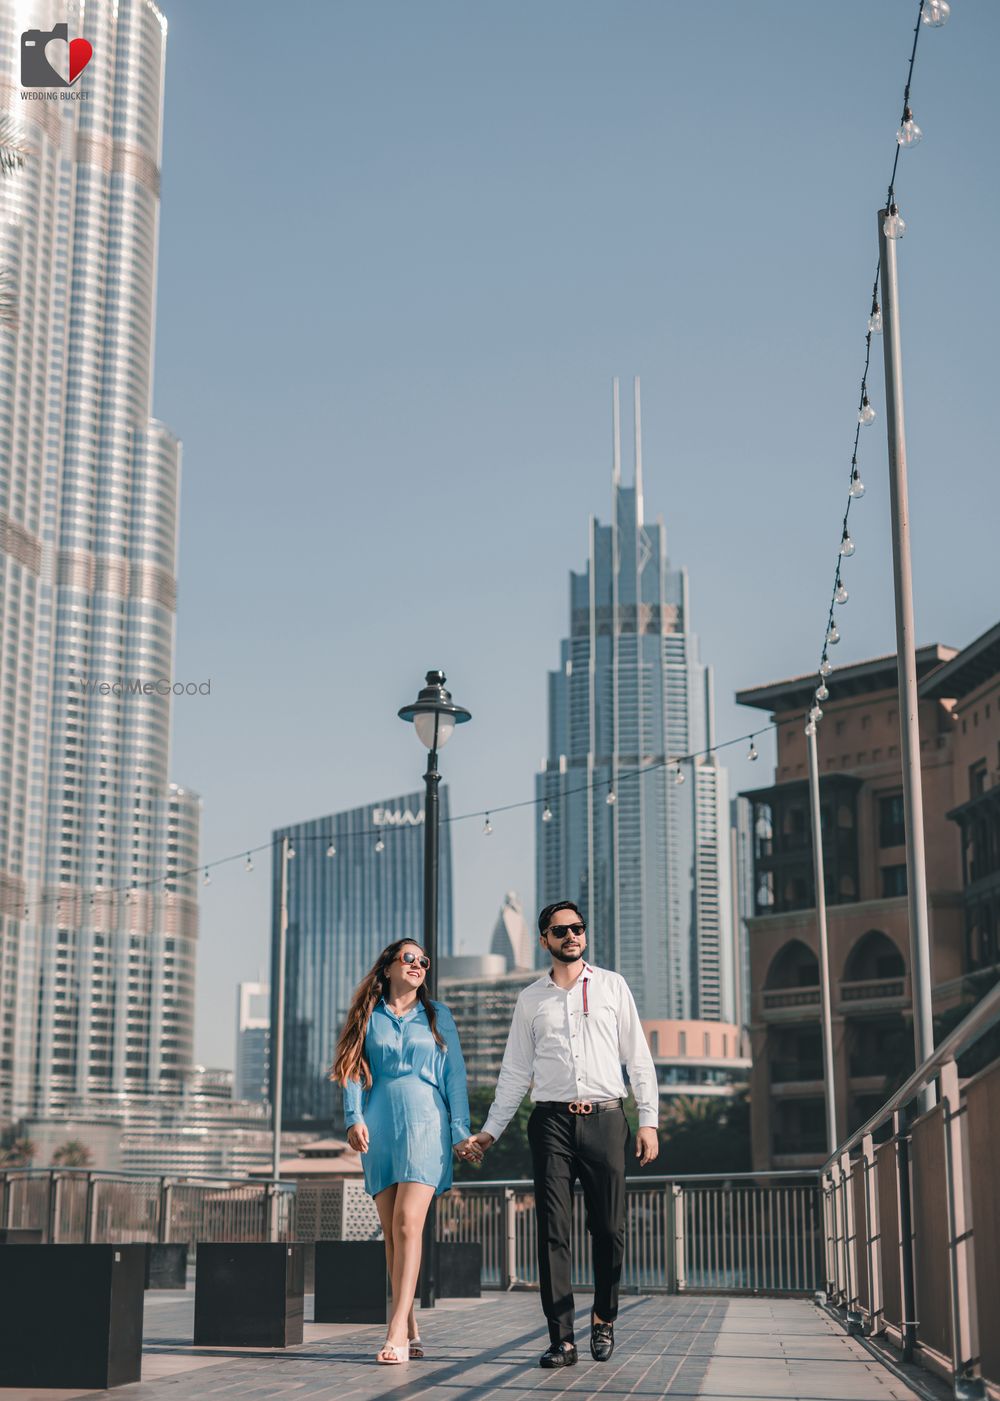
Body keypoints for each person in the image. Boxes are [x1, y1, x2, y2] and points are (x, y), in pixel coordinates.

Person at [461, 901, 658, 1368]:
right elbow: (514, 1072)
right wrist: (490, 1132)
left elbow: (638, 1059)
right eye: (561, 930)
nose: (572, 935)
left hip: (607, 1119)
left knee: (609, 1228)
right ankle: (562, 1339)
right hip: (550, 1123)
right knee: (553, 1230)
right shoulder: (531, 999)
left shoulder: (612, 986)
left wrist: (648, 1120)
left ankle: (604, 1318)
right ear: (544, 940)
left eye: (578, 928)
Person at [332, 938, 474, 1365]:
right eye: (408, 958)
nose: (417, 965)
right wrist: (353, 1117)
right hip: (379, 1126)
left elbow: (455, 1076)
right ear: (389, 967)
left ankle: (394, 1332)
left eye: (423, 961)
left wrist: (460, 1131)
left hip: (427, 1122)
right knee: (392, 1234)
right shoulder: (366, 1015)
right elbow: (352, 1069)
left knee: (409, 1224)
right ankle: (409, 1326)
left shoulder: (437, 1015)